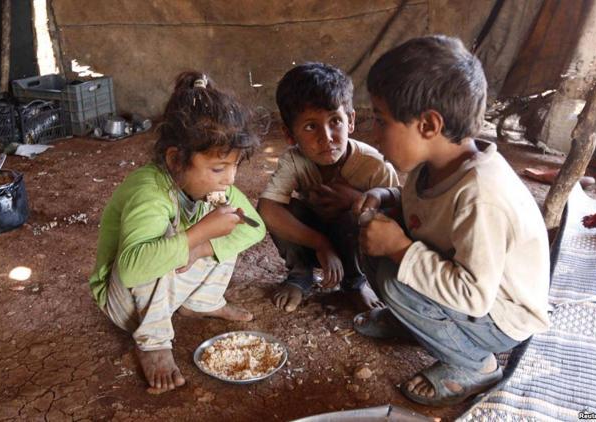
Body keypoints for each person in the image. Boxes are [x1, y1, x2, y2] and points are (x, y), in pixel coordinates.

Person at [353, 35, 550, 406]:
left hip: (499, 317)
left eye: (381, 121)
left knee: (397, 281)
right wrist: (386, 197)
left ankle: (474, 366)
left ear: (428, 125)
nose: (373, 135)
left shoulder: (482, 197)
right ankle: (412, 322)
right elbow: (428, 212)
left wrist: (399, 248)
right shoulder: (435, 164)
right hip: (464, 286)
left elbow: (474, 296)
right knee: (371, 236)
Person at [88, 71, 266, 394]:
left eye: (234, 167)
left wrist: (202, 246)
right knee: (174, 240)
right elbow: (131, 268)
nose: (229, 179)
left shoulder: (217, 186)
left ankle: (202, 301)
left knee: (226, 226)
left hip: (168, 290)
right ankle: (153, 341)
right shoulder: (150, 192)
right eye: (217, 169)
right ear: (175, 160)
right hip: (125, 301)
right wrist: (197, 236)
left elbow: (255, 227)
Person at [257, 62, 399, 312]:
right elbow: (267, 209)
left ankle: (355, 282)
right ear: (290, 135)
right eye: (310, 127)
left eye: (335, 121)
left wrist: (356, 201)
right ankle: (301, 274)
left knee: (356, 215)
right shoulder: (293, 160)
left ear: (351, 120)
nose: (327, 137)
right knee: (282, 208)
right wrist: (320, 243)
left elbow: (399, 218)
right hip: (316, 245)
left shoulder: (374, 166)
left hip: (357, 248)